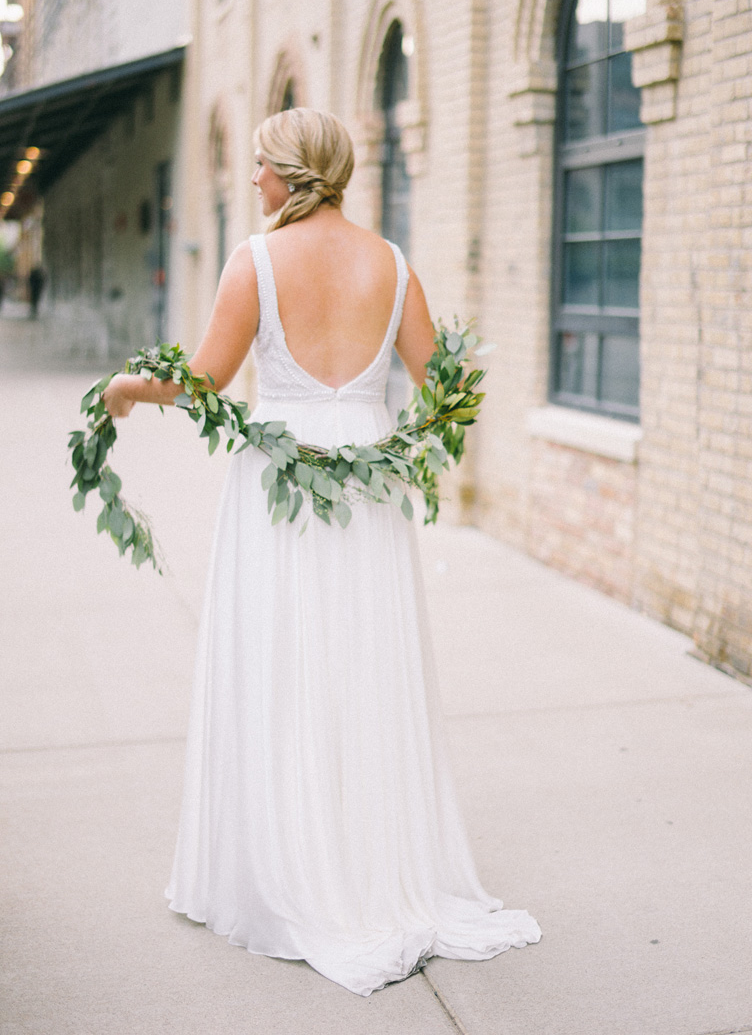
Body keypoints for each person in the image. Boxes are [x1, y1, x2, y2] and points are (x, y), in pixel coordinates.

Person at [102, 108, 540, 995]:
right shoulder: (393, 264)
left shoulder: (255, 262)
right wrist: (390, 446)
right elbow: (451, 389)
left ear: (291, 174)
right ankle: (370, 859)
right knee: (365, 663)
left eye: (261, 164)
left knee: (280, 662)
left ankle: (292, 866)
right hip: (369, 497)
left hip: (279, 492)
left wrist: (125, 388)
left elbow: (203, 382)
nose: (252, 179)